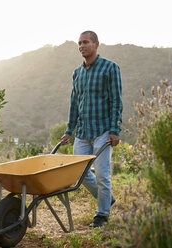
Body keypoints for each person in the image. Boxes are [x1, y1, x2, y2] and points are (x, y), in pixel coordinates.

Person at [61, 30, 122, 228]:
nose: (81, 46)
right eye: (79, 43)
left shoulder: (110, 68)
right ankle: (107, 199)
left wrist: (114, 130)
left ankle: (102, 214)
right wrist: (70, 130)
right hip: (83, 132)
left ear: (96, 44)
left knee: (102, 174)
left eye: (86, 42)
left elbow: (116, 101)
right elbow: (74, 103)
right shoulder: (77, 73)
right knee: (80, 173)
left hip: (103, 130)